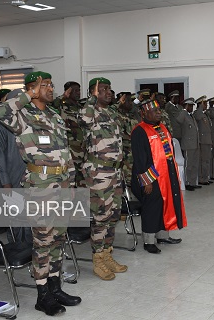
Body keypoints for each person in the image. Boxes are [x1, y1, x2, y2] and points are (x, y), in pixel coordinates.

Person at [0, 71, 81, 316]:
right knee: (43, 241)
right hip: (40, 186)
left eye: (51, 84)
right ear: (33, 88)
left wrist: (71, 184)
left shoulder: (54, 114)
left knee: (58, 238)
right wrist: (28, 94)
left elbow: (66, 153)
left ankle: (55, 286)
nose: (52, 88)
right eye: (46, 85)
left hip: (62, 184)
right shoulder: (22, 116)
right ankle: (43, 294)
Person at [80, 78, 128, 280]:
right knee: (101, 217)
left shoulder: (111, 112)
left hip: (115, 172)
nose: (109, 92)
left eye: (109, 89)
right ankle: (98, 259)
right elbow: (83, 121)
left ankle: (107, 255)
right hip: (98, 173)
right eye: (104, 89)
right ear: (93, 92)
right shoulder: (89, 112)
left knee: (113, 216)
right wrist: (91, 100)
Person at [131, 99, 187, 254]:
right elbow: (140, 159)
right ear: (144, 113)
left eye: (159, 110)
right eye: (154, 111)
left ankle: (163, 235)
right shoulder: (139, 131)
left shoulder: (162, 127)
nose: (158, 113)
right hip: (150, 176)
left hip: (167, 173)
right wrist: (147, 181)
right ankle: (149, 241)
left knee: (166, 203)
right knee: (152, 208)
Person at [0, 89, 32, 244]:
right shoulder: (1, 126)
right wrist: (5, 183)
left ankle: (30, 247)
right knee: (16, 215)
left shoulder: (30, 122)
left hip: (30, 176)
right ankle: (16, 247)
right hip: (12, 177)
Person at [53, 81, 85, 188]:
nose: (78, 93)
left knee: (83, 179)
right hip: (70, 149)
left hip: (83, 148)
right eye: (75, 90)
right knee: (71, 178)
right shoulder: (61, 106)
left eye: (79, 90)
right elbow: (50, 106)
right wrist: (63, 96)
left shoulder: (81, 106)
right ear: (68, 91)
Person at [176, 98, 200, 190]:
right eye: (190, 106)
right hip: (188, 144)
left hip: (195, 143)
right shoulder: (184, 115)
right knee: (188, 165)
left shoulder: (191, 116)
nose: (192, 108)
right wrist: (184, 110)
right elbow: (179, 120)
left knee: (194, 164)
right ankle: (187, 183)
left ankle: (193, 182)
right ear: (186, 106)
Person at [193, 95, 213, 186]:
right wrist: (200, 107)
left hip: (207, 140)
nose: (206, 105)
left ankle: (206, 177)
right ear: (200, 104)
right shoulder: (197, 113)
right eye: (204, 103)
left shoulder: (205, 114)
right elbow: (197, 117)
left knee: (207, 160)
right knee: (203, 161)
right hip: (202, 141)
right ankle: (201, 178)